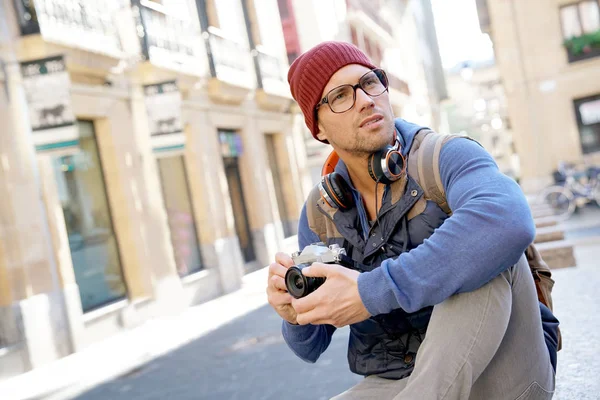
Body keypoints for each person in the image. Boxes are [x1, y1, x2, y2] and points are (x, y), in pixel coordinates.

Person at [266, 41, 557, 399]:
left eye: (370, 82)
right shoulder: (320, 213)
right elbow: (308, 348)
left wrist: (369, 292)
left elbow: (509, 222)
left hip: (505, 374)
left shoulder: (446, 156)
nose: (365, 99)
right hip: (403, 383)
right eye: (341, 96)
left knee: (485, 246)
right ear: (319, 128)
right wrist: (293, 313)